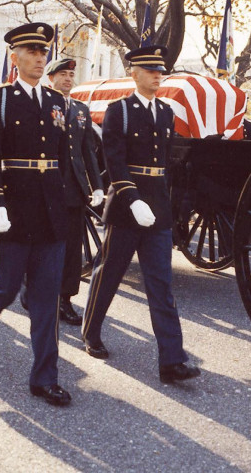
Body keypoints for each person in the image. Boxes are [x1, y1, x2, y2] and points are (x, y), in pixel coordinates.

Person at [0, 23, 72, 407]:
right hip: (13, 209)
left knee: (46, 297)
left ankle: (45, 377)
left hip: (50, 213)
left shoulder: (57, 101)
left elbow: (62, 158)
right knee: (6, 287)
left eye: (44, 52)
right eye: (32, 52)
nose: (40, 58)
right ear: (15, 57)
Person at [80, 44, 200, 385]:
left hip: (157, 212)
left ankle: (172, 361)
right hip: (126, 208)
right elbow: (115, 160)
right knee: (108, 275)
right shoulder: (119, 110)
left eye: (160, 70)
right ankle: (91, 332)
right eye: (150, 70)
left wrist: (170, 210)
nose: (157, 75)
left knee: (162, 286)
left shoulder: (165, 113)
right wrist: (132, 199)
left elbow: (166, 166)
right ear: (134, 73)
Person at [44, 57, 104, 325]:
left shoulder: (80, 109)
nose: (68, 79)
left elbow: (87, 151)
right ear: (51, 78)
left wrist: (97, 186)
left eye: (70, 75)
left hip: (75, 191)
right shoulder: (43, 105)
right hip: (49, 188)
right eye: (62, 74)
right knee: (45, 246)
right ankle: (39, 291)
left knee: (71, 251)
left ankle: (65, 300)